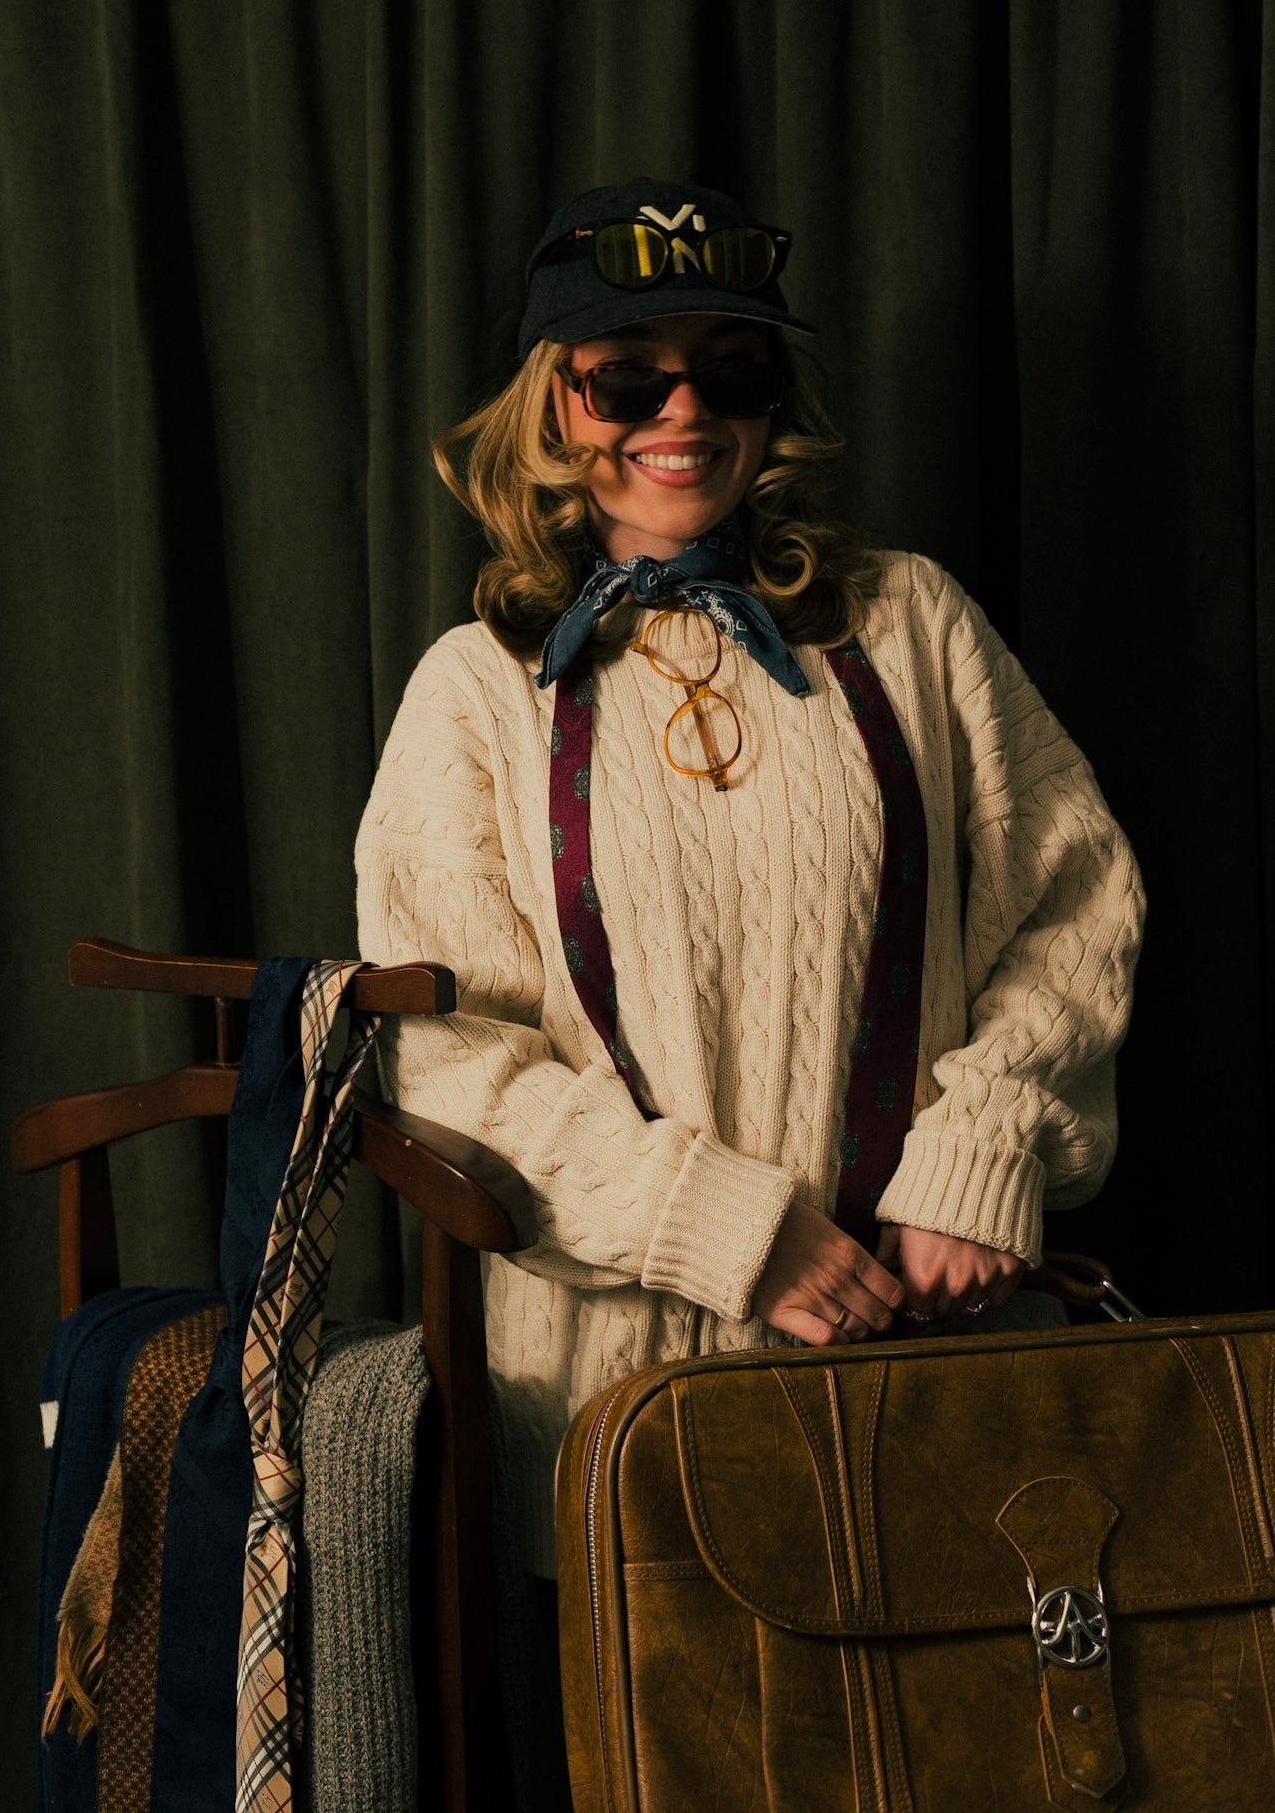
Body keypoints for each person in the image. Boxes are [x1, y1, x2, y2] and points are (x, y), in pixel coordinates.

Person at [353, 176, 1143, 1767]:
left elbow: (1074, 903)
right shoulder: (475, 694)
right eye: (625, 377)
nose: (683, 413)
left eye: (731, 370)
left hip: (930, 1388)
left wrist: (979, 1153)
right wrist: (729, 1230)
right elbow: (448, 1062)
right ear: (553, 407)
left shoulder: (910, 623)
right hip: (614, 1430)